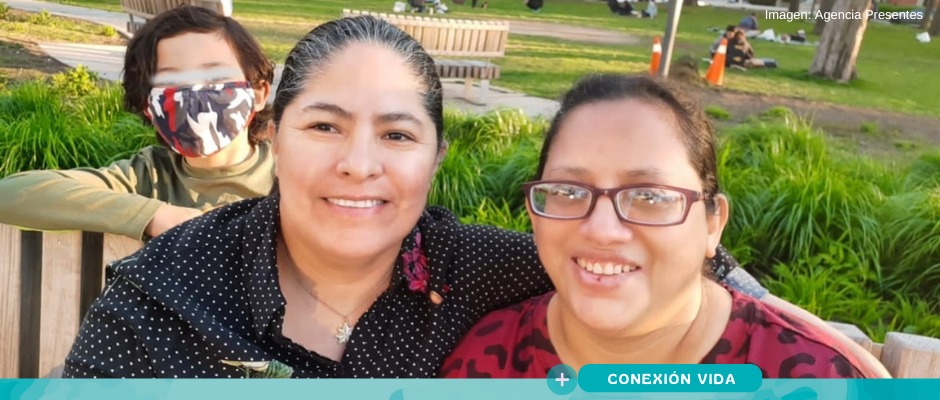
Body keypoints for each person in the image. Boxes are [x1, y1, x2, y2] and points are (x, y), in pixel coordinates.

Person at [62, 16, 771, 379]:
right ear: (273, 136)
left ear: (435, 159)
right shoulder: (167, 290)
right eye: (324, 126)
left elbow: (627, 248)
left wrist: (762, 302)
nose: (358, 165)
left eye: (398, 135)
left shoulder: (485, 271)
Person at [440, 74, 885, 378]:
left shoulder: (813, 377)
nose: (602, 230)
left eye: (650, 197)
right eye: (569, 191)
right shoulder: (485, 365)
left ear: (712, 224)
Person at [0, 6, 274, 241]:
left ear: (259, 93)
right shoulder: (146, 176)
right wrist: (158, 216)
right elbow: (10, 194)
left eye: (215, 76)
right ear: (149, 106)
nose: (194, 92)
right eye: (172, 81)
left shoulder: (286, 174)